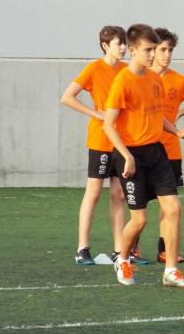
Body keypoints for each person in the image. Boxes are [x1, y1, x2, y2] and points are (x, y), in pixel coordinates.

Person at [103, 23, 184, 287]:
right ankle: (122, 259)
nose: (153, 54)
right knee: (140, 219)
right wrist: (127, 156)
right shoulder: (122, 82)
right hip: (131, 156)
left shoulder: (155, 79)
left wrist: (175, 131)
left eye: (155, 49)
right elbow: (108, 124)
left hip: (157, 152)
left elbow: (158, 115)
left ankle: (171, 270)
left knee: (174, 208)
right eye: (148, 49)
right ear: (132, 50)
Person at [60, 26, 149, 266]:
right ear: (105, 45)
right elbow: (67, 97)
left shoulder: (127, 70)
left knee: (119, 194)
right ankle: (82, 249)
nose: (123, 49)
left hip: (122, 142)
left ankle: (121, 251)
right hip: (100, 140)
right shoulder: (94, 69)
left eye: (124, 44)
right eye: (119, 44)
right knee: (94, 192)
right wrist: (95, 113)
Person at [148, 27, 184, 264]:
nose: (167, 54)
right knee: (138, 205)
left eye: (170, 50)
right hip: (144, 147)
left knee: (169, 202)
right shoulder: (142, 78)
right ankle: (129, 249)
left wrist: (181, 112)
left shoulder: (178, 80)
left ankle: (165, 250)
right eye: (163, 49)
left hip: (171, 149)